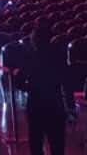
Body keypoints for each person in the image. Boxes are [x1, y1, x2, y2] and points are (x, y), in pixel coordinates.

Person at [16, 24, 73, 155]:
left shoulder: (29, 57)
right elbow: (67, 82)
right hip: (56, 104)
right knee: (57, 145)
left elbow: (18, 81)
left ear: (34, 40)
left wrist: (29, 88)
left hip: (35, 104)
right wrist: (70, 106)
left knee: (36, 144)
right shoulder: (59, 56)